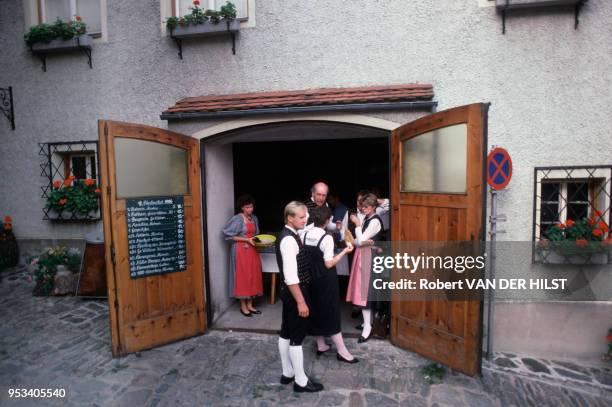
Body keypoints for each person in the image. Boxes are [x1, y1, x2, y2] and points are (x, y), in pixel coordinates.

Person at [276, 201, 324, 392]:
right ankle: (300, 381)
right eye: (302, 217)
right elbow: (290, 276)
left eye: (306, 216)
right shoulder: (288, 240)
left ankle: (287, 372)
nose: (306, 220)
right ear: (290, 218)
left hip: (289, 292)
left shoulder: (292, 234)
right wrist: (301, 302)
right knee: (296, 336)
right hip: (296, 291)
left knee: (286, 331)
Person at [304, 206, 357, 364]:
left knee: (316, 308)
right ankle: (342, 351)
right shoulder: (326, 238)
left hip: (310, 277)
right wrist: (344, 252)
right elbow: (329, 263)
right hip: (325, 279)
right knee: (331, 311)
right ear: (327, 221)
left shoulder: (305, 232)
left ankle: (321, 345)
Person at [345, 193, 384, 343]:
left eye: (366, 207)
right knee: (363, 290)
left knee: (365, 293)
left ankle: (368, 327)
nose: (363, 209)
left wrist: (357, 225)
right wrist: (360, 240)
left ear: (374, 207)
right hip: (364, 255)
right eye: (362, 206)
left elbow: (360, 241)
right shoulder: (368, 218)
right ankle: (367, 322)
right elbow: (360, 241)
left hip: (368, 257)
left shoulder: (374, 221)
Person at [222, 194, 263, 317]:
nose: (250, 209)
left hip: (252, 250)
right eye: (247, 207)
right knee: (243, 277)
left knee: (252, 276)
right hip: (240, 250)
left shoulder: (254, 218)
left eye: (251, 207)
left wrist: (258, 241)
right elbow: (228, 235)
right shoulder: (237, 219)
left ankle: (250, 304)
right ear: (242, 208)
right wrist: (246, 240)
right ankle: (243, 306)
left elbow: (256, 234)